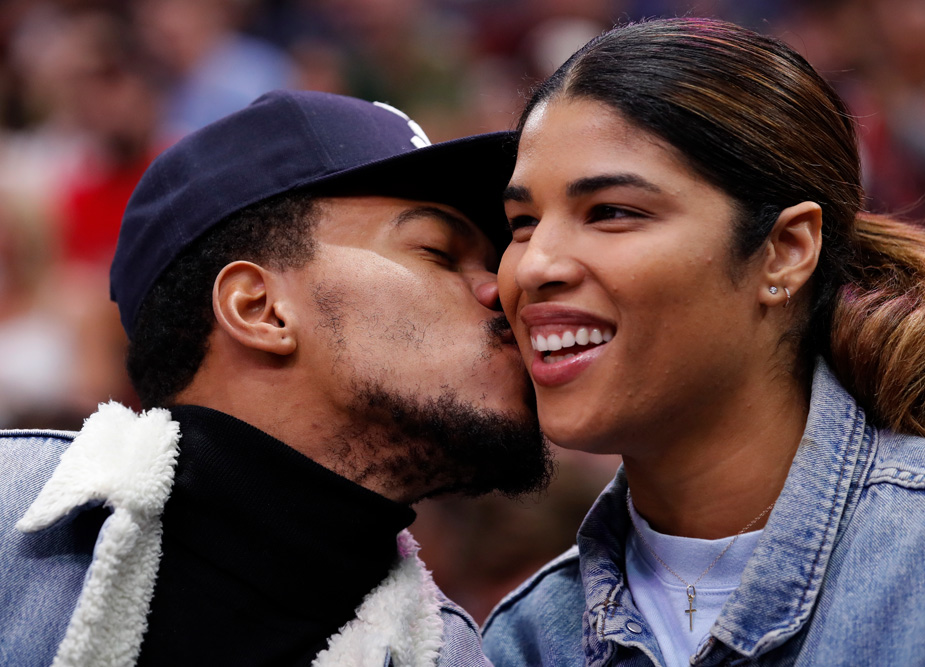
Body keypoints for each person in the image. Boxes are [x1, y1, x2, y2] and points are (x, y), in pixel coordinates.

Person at [482, 18, 925, 667]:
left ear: (786, 251)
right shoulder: (523, 638)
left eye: (611, 211)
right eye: (522, 222)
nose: (533, 266)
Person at [0, 89, 552, 667]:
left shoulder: (456, 655)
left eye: (491, 261)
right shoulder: (14, 520)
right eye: (440, 251)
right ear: (259, 309)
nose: (502, 288)